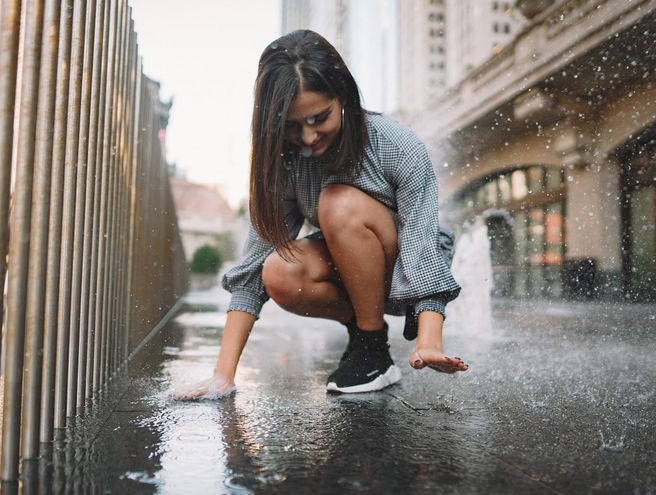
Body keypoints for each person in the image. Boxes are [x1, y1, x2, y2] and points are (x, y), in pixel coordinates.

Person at [175, 30, 468, 399]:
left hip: (407, 270)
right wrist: (222, 376)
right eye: (293, 126)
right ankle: (369, 341)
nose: (309, 137)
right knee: (277, 272)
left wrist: (428, 340)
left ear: (342, 97)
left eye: (319, 118)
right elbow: (251, 269)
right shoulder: (284, 161)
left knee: (337, 202)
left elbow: (422, 247)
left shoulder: (395, 143)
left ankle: (371, 346)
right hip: (356, 277)